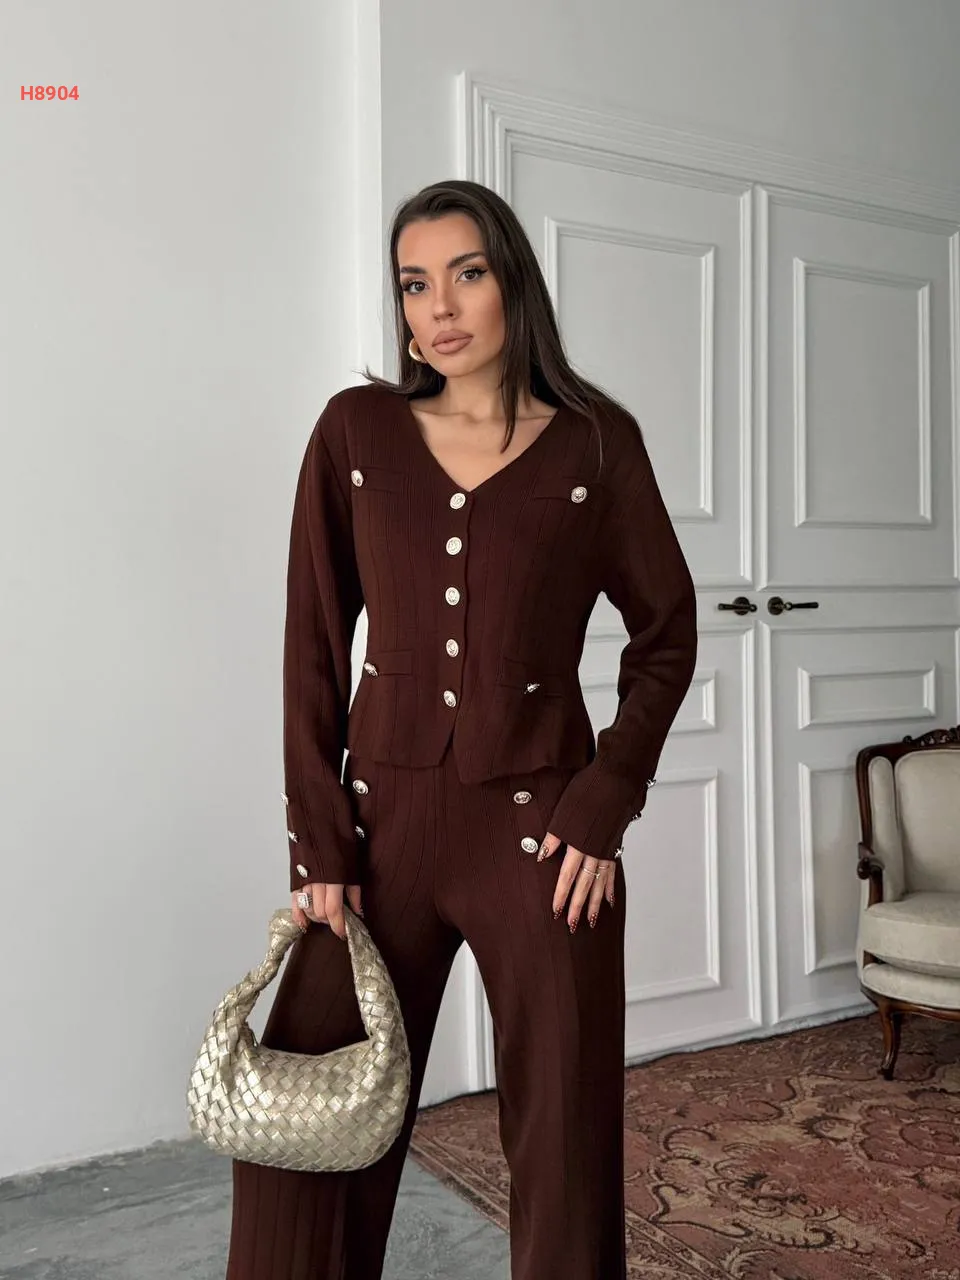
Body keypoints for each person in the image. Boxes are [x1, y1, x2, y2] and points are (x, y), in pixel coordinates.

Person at [225, 178, 698, 1280]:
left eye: (466, 274)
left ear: (510, 282)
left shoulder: (596, 447)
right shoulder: (355, 433)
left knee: (565, 1139)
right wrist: (319, 843)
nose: (438, 306)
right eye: (413, 283)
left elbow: (666, 634)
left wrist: (604, 802)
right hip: (376, 833)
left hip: (545, 840)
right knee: (305, 1135)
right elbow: (311, 641)